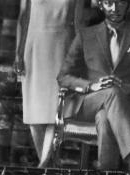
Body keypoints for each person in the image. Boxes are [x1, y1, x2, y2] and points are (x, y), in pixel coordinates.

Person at [56, 0, 130, 173]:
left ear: (128, 5)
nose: (115, 8)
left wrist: (127, 88)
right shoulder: (85, 35)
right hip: (89, 103)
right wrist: (91, 86)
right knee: (111, 92)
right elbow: (63, 77)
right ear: (101, 5)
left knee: (104, 118)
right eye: (109, 3)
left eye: (120, 2)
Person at [14, 0, 82, 163]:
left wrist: (80, 57)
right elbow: (23, 18)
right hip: (34, 47)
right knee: (33, 115)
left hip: (63, 47)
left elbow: (79, 24)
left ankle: (43, 165)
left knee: (55, 112)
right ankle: (48, 165)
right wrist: (18, 53)